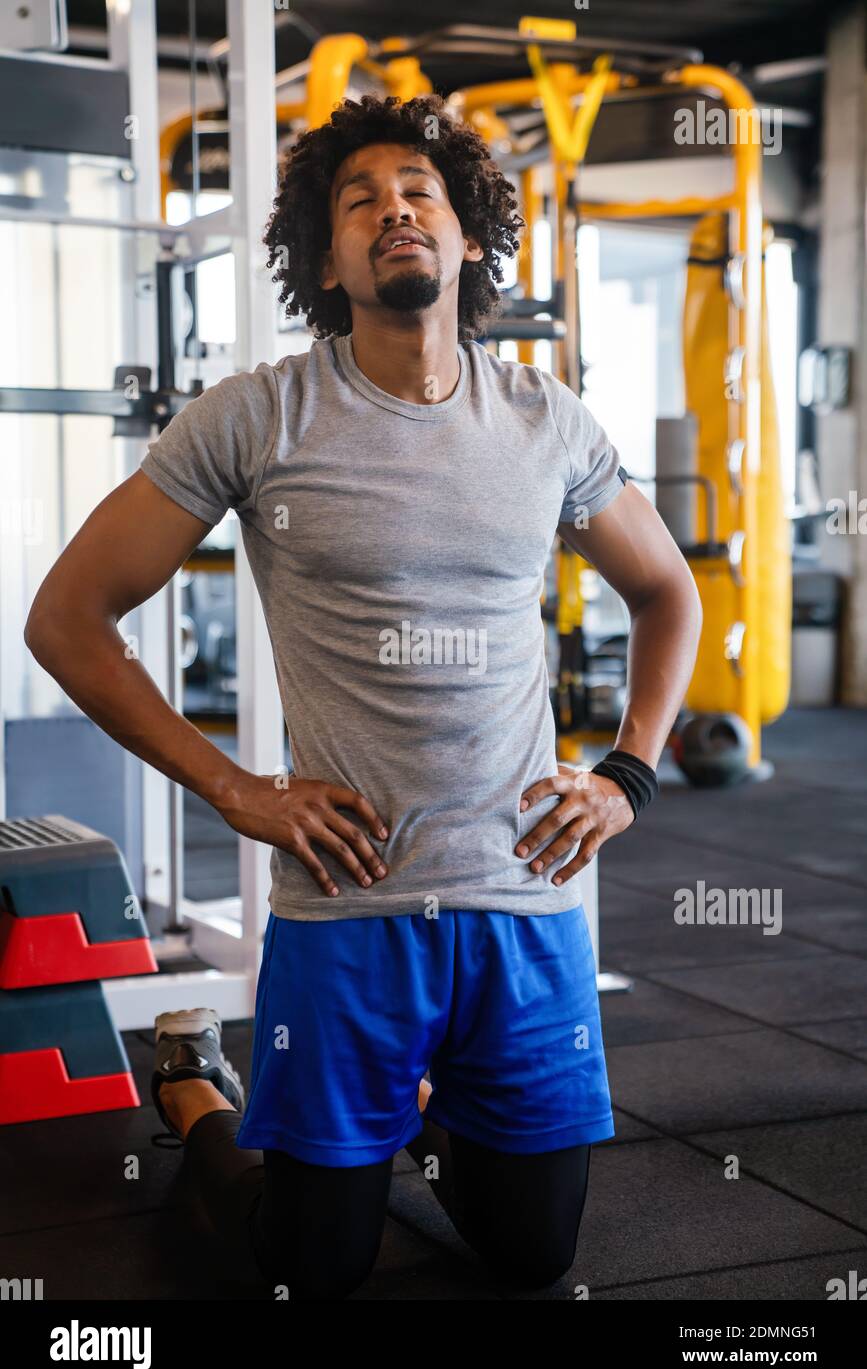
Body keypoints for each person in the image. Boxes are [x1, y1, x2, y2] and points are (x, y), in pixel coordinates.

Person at [24, 93, 701, 1299]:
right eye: (360, 199)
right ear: (325, 259)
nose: (394, 207)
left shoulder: (547, 420)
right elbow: (67, 619)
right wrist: (236, 788)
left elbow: (668, 594)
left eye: (420, 192)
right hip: (350, 907)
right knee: (311, 1265)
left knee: (534, 1253)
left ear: (469, 238)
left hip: (523, 897)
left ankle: (424, 1095)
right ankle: (193, 1092)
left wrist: (628, 773)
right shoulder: (258, 415)